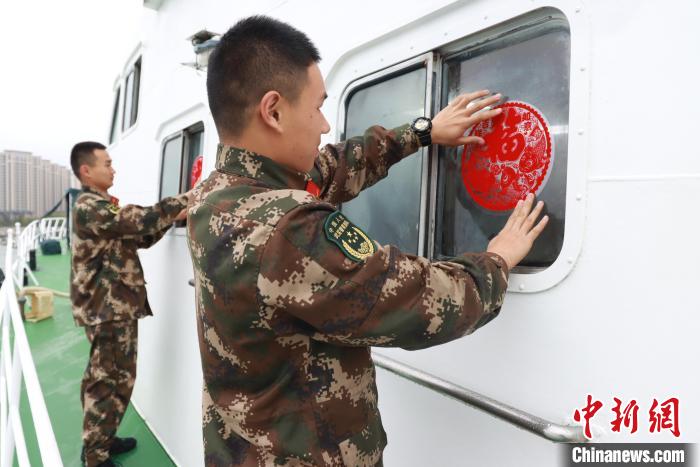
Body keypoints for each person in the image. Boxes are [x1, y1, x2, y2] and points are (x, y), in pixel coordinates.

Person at [187, 16, 548, 466]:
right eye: (317, 108)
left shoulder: (217, 192)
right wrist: (497, 260)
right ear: (273, 111)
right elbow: (422, 303)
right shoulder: (287, 231)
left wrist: (421, 132)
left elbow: (331, 169)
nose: (323, 125)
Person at [69, 141, 191, 467]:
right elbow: (136, 220)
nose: (113, 169)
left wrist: (171, 217)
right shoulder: (89, 206)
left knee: (122, 378)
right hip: (104, 309)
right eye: (106, 163)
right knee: (104, 381)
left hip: (117, 307)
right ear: (86, 170)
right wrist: (188, 198)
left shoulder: (105, 208)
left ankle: (104, 439)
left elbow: (142, 236)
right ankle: (94, 455)